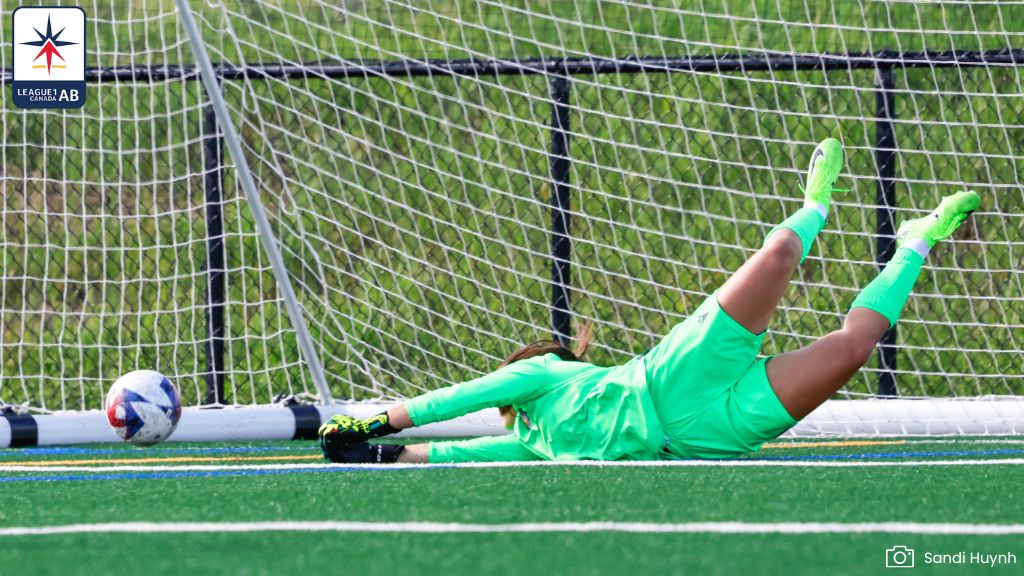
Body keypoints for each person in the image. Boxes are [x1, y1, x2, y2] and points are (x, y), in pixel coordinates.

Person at [317, 138, 980, 464]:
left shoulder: (545, 375)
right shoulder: (533, 445)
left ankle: (816, 204)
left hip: (672, 375)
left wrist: (377, 421)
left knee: (780, 253)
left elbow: (452, 401)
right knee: (854, 349)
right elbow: (449, 456)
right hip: (706, 437)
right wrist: (378, 452)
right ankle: (916, 243)